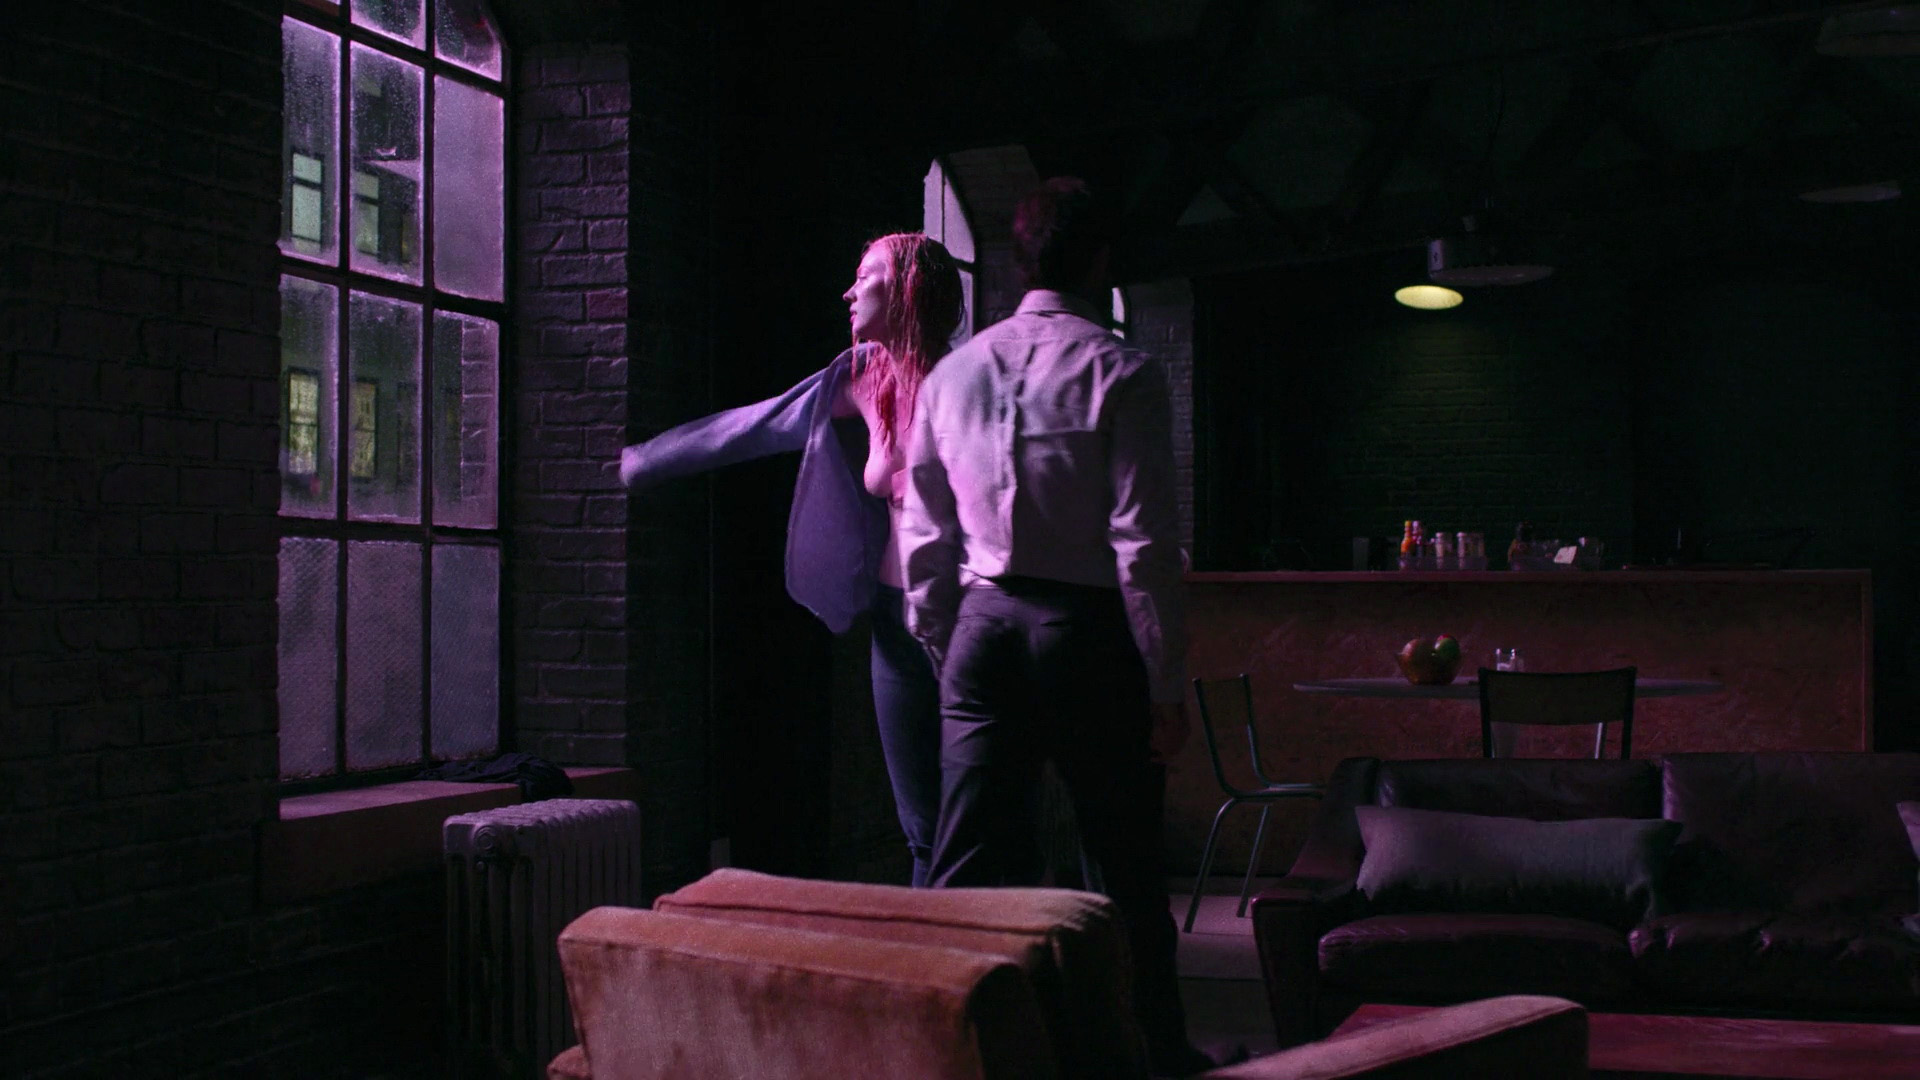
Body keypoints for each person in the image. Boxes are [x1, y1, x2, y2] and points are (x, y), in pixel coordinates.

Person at [898, 178, 1218, 1076]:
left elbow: (923, 536)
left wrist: (947, 646)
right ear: (1100, 261)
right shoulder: (1124, 371)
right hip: (1086, 633)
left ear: (1018, 263)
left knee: (966, 867)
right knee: (1123, 864)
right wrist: (1164, 685)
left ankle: (947, 1053)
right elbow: (1144, 546)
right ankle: (1155, 1056)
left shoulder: (953, 374)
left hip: (982, 627)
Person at [618, 232, 964, 887]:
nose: (849, 292)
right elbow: (762, 422)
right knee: (922, 827)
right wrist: (649, 461)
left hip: (965, 618)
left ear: (907, 288)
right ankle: (936, 950)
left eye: (866, 276)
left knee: (970, 820)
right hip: (894, 624)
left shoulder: (968, 382)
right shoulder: (865, 375)